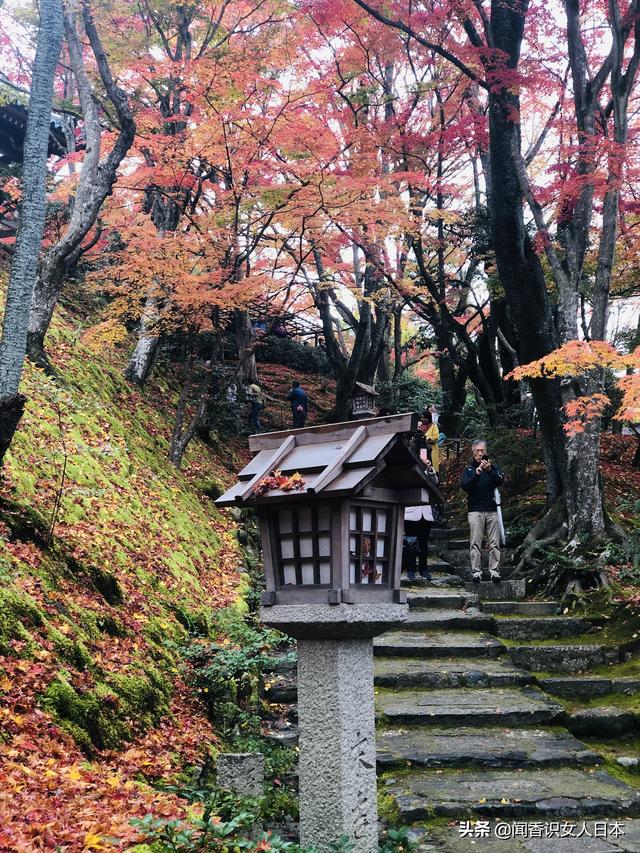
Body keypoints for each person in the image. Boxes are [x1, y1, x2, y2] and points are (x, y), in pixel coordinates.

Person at [461, 439, 504, 582]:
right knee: (475, 542)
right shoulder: (468, 470)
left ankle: (494, 571)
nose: (480, 454)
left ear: (486, 452)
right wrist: (477, 472)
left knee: (494, 542)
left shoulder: (494, 468)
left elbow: (500, 481)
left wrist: (489, 470)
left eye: (482, 451)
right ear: (473, 452)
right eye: (477, 451)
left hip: (492, 509)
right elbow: (465, 486)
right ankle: (476, 572)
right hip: (475, 510)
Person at [403, 437, 438, 581]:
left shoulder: (427, 465)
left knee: (424, 543)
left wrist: (429, 468)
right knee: (411, 542)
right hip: (411, 512)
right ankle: (411, 569)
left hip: (426, 512)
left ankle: (424, 569)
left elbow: (435, 482)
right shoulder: (408, 465)